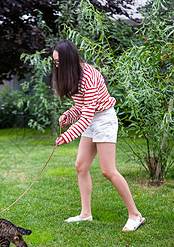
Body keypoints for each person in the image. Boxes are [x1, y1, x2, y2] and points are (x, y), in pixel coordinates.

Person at [53, 40, 145, 231]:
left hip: (104, 119)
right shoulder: (74, 76)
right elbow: (81, 108)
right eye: (55, 62)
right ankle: (85, 214)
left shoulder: (90, 75)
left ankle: (135, 215)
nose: (57, 66)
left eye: (59, 62)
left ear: (69, 60)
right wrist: (67, 116)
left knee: (108, 170)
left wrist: (67, 136)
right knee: (81, 166)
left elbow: (87, 115)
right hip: (91, 119)